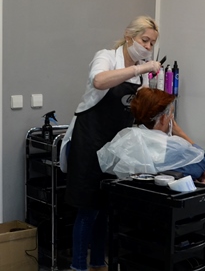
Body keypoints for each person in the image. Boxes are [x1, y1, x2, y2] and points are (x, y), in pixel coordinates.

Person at [97, 88, 205, 271]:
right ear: (163, 118)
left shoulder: (126, 140)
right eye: (171, 114)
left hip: (138, 222)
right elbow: (204, 161)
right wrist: (180, 133)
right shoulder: (173, 146)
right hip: (174, 220)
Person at [62, 15, 161, 271]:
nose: (148, 47)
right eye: (144, 40)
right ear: (129, 36)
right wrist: (139, 69)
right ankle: (78, 267)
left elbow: (140, 112)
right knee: (88, 209)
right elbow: (99, 80)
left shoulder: (141, 75)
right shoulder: (106, 57)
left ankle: (98, 264)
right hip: (88, 141)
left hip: (114, 146)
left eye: (152, 43)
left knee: (105, 208)